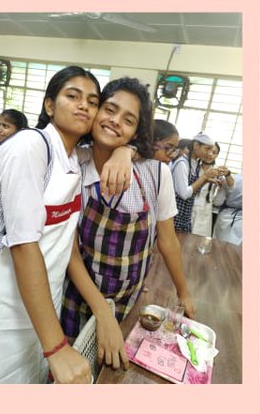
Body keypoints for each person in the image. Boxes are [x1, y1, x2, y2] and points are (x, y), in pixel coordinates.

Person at [0, 66, 102, 384]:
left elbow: (64, 240)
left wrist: (124, 150)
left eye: (92, 102)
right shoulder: (29, 147)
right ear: (50, 105)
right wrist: (57, 348)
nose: (84, 106)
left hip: (39, 309)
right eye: (73, 96)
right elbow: (24, 244)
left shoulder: (78, 159)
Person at [60, 78, 194, 366]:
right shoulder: (73, 165)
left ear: (136, 132)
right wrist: (101, 313)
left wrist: (183, 292)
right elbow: (70, 253)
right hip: (78, 294)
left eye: (129, 119)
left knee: (113, 371)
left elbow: (167, 241)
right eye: (109, 109)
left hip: (128, 300)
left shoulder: (156, 174)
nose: (115, 121)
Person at [171, 132, 221, 234]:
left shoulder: (195, 165)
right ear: (196, 146)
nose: (209, 153)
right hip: (175, 213)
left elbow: (193, 191)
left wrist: (205, 181)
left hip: (185, 214)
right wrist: (204, 177)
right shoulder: (182, 163)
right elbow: (184, 194)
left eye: (212, 150)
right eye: (207, 149)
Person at [213, 172, 243, 246]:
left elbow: (217, 202)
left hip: (224, 218)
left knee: (217, 246)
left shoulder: (230, 178)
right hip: (242, 221)